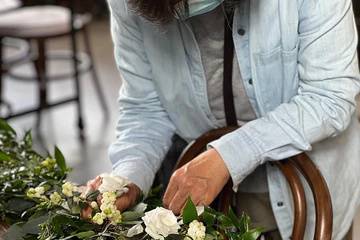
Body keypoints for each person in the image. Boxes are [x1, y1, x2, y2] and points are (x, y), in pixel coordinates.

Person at [86, 0, 360, 239]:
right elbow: (146, 109)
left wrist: (229, 155)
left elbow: (330, 97)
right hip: (210, 202)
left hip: (313, 191)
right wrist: (128, 176)